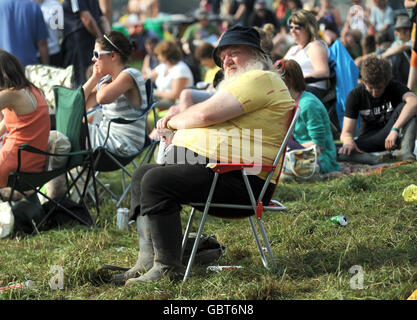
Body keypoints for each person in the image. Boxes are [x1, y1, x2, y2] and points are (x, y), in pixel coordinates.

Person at [116, 25, 294, 285]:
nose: (227, 60)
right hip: (226, 170)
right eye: (223, 56)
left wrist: (172, 123)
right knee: (143, 174)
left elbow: (204, 115)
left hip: (244, 180)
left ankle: (167, 268)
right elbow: (205, 112)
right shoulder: (248, 81)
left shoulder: (259, 79)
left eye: (234, 53)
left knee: (155, 182)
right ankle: (147, 259)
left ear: (257, 54)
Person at [338, 56, 417, 164]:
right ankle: (376, 159)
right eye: (370, 88)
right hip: (369, 138)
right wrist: (348, 142)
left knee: (407, 107)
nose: (375, 93)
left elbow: (414, 102)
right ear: (363, 82)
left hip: (392, 135)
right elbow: (346, 132)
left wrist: (395, 130)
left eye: (379, 88)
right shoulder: (355, 95)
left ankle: (405, 153)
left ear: (386, 82)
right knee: (339, 151)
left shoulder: (394, 87)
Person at [82, 31, 149, 156]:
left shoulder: (129, 75)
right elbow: (79, 103)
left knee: (73, 130)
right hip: (109, 135)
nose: (93, 59)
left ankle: (65, 174)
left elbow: (102, 98)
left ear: (113, 56)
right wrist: (94, 78)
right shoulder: (109, 80)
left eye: (96, 54)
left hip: (125, 142)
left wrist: (100, 82)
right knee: (73, 125)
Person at [276, 59, 340, 174]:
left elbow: (318, 144)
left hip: (320, 158)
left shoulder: (308, 105)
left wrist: (289, 148)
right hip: (301, 152)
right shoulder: (290, 102)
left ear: (288, 81)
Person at [0, 50, 50, 188]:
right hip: (34, 160)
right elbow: (6, 124)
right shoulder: (32, 90)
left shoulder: (11, 95)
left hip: (15, 163)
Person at [62, 0, 111, 88]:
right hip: (90, 41)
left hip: (80, 43)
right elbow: (102, 19)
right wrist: (109, 40)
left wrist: (102, 40)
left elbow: (87, 19)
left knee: (82, 82)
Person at [284, 9, 331, 100]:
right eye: (291, 27)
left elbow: (324, 72)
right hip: (292, 91)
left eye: (297, 28)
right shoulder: (293, 49)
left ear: (309, 29)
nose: (292, 31)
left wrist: (297, 80)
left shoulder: (314, 46)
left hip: (310, 92)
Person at [146, 40, 194, 110]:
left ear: (166, 55)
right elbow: (147, 78)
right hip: (162, 99)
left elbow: (175, 95)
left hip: (177, 103)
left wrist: (154, 92)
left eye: (158, 54)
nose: (157, 57)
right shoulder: (163, 66)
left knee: (144, 103)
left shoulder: (180, 69)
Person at [0, 0, 49, 67]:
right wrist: (46, 68)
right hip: (29, 68)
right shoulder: (33, 7)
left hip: (3, 68)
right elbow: (42, 44)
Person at [36, 0, 63, 67]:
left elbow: (62, 28)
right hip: (34, 54)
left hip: (54, 52)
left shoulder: (55, 5)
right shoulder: (27, 5)